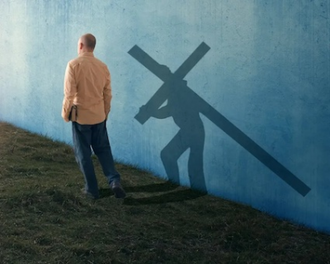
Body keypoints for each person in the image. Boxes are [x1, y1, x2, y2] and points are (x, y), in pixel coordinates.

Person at [61, 33, 126, 199]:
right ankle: (114, 181)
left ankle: (92, 189)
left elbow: (69, 95)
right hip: (99, 116)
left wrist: (65, 114)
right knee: (104, 150)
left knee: (83, 154)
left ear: (81, 46)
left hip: (80, 117)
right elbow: (108, 94)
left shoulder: (73, 65)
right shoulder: (103, 66)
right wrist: (105, 113)